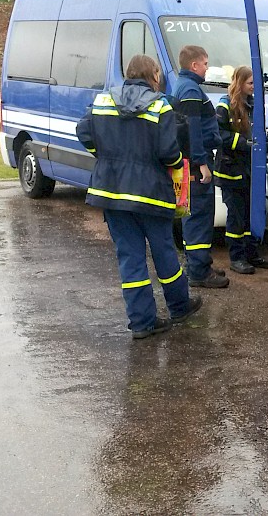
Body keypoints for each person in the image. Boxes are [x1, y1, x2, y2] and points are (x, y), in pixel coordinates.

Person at [76, 55, 204, 339]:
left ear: (128, 74)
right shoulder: (160, 105)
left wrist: (106, 158)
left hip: (110, 192)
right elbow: (169, 153)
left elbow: (83, 131)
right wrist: (179, 165)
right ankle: (179, 307)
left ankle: (142, 323)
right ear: (154, 75)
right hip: (150, 194)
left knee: (130, 258)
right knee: (164, 253)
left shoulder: (103, 100)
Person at [172, 45, 229, 289]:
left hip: (188, 163)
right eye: (205, 63)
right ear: (194, 65)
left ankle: (199, 264)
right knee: (198, 217)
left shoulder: (184, 86)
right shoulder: (191, 89)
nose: (208, 68)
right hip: (195, 164)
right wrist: (202, 163)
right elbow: (192, 129)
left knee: (192, 215)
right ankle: (198, 272)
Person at [215, 65, 268, 275]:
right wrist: (245, 143)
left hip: (249, 171)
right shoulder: (224, 106)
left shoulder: (254, 105)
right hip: (230, 172)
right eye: (250, 84)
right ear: (239, 83)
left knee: (252, 214)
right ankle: (237, 258)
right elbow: (219, 136)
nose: (253, 88)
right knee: (236, 217)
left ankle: (251, 254)